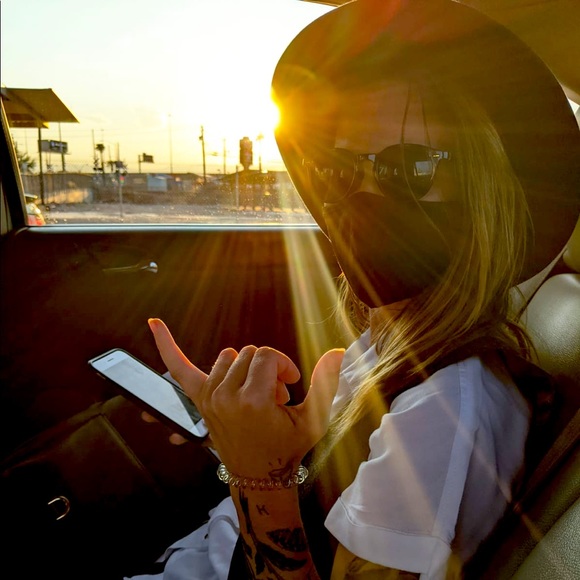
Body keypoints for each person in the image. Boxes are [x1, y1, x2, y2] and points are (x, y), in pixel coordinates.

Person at [129, 0, 580, 578]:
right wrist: (242, 434)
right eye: (343, 169)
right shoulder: (395, 345)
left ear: (480, 194)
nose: (366, 200)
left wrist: (253, 474)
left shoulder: (447, 414)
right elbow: (323, 484)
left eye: (410, 168)